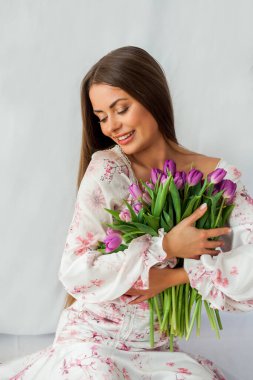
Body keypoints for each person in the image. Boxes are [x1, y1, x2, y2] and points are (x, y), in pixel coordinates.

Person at [1, 46, 253, 380]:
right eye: (102, 117)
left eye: (121, 109)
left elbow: (247, 269)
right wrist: (164, 247)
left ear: (152, 97)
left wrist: (179, 274)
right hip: (90, 339)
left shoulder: (221, 179)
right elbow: (76, 271)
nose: (111, 126)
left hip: (155, 349)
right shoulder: (108, 170)